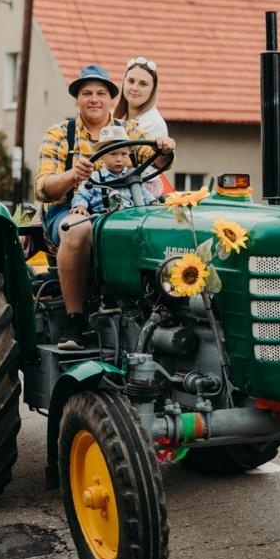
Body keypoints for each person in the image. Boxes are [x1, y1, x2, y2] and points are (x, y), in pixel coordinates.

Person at [35, 64, 175, 349]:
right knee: (77, 229)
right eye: (87, 93)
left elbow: (154, 160)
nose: (94, 99)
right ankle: (74, 321)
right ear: (77, 99)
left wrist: (164, 149)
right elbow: (44, 187)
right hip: (73, 208)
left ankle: (162, 309)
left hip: (125, 209)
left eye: (101, 92)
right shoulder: (61, 134)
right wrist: (73, 175)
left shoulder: (131, 129)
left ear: (113, 98)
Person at [70, 125, 159, 218]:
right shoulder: (95, 178)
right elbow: (82, 195)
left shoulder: (132, 175)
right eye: (113, 154)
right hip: (104, 220)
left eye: (124, 154)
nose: (119, 159)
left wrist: (153, 202)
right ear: (101, 156)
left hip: (132, 218)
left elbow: (144, 194)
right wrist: (81, 207)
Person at [114, 56, 170, 196]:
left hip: (140, 187)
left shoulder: (153, 123)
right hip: (116, 181)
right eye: (131, 81)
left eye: (143, 84)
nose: (134, 88)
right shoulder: (117, 116)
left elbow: (146, 169)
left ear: (152, 89)